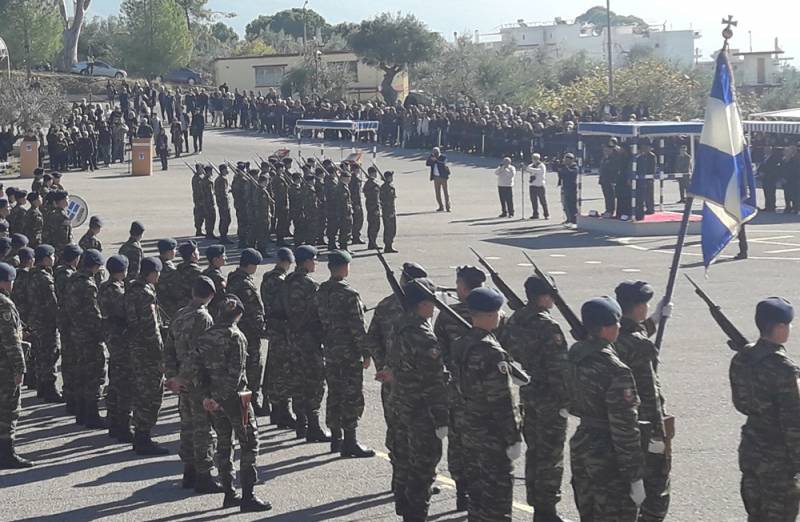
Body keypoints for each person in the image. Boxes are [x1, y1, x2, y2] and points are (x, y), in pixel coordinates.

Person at [568, 296, 644, 521]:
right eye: (616, 323)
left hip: (583, 443)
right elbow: (624, 427)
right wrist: (634, 475)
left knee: (588, 512)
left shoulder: (575, 354)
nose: (619, 327)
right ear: (605, 328)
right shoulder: (616, 370)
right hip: (608, 452)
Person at [500, 275, 570, 521]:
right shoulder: (549, 327)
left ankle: (537, 504)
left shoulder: (516, 319)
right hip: (550, 398)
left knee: (535, 452)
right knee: (551, 455)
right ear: (543, 296)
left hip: (528, 394)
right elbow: (560, 368)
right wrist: (566, 401)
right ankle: (546, 510)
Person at [194, 294, 272, 513]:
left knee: (224, 443)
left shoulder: (206, 336)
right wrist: (219, 397)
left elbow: (197, 370)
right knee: (249, 444)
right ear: (238, 315)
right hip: (236, 399)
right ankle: (248, 496)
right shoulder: (236, 336)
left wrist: (207, 397)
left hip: (214, 400)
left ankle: (229, 493)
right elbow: (236, 373)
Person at [452, 287, 522, 521]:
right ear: (491, 314)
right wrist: (512, 437)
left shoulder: (462, 343)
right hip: (492, 434)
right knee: (498, 501)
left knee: (478, 497)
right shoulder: (491, 352)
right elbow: (502, 401)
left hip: (469, 429)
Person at [730, 297, 800, 521]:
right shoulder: (785, 370)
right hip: (779, 459)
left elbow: (741, 403)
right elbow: (793, 423)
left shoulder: (741, 359)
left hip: (751, 449)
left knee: (756, 514)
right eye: (788, 325)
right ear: (779, 328)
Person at [614, 281, 673, 522]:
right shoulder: (640, 345)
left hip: (616, 426)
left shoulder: (607, 332)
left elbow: (630, 336)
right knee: (656, 492)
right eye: (646, 305)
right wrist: (659, 435)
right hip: (643, 426)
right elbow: (650, 395)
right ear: (638, 308)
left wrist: (656, 319)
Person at [391, 278, 449, 520]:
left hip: (402, 402)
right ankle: (416, 515)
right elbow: (434, 382)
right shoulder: (425, 337)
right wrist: (442, 418)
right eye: (431, 302)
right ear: (422, 304)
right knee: (423, 467)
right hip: (421, 410)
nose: (434, 308)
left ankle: (405, 508)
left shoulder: (401, 324)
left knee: (404, 459)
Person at [432, 265, 487, 510]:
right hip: (487, 391)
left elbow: (438, 352)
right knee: (485, 441)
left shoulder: (447, 316)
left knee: (458, 440)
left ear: (463, 288)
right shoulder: (493, 315)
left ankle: (462, 491)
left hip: (457, 388)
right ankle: (480, 491)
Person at [165, 275, 223, 494]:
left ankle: (189, 471)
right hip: (198, 382)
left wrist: (173, 377)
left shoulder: (179, 314)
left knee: (187, 426)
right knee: (203, 429)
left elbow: (168, 348)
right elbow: (203, 353)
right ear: (212, 295)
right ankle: (203, 475)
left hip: (182, 382)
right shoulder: (203, 318)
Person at [314, 250, 374, 457]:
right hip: (348, 353)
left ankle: (336, 438)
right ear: (342, 267)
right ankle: (350, 441)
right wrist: (366, 353)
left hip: (330, 350)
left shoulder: (322, 291)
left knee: (335, 393)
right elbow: (357, 327)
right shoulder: (349, 294)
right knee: (351, 395)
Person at [284, 245, 330, 443]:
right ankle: (313, 426)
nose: (316, 263)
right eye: (314, 259)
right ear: (307, 261)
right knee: (315, 382)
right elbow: (321, 313)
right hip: (309, 340)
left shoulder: (288, 281)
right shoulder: (309, 285)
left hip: (292, 338)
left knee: (297, 380)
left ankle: (301, 425)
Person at [125, 256, 169, 456]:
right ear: (153, 273)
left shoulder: (132, 289)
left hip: (135, 348)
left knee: (140, 390)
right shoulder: (145, 294)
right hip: (148, 351)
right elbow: (152, 329)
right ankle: (143, 437)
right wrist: (161, 356)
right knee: (151, 394)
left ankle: (140, 436)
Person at [64, 249, 107, 429]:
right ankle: (92, 414)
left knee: (80, 372)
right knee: (94, 374)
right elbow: (93, 314)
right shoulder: (88, 285)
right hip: (88, 335)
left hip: (74, 332)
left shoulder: (72, 279)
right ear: (95, 266)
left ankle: (81, 412)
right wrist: (103, 333)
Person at [225, 248, 267, 416]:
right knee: (253, 367)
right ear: (250, 265)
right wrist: (262, 330)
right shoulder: (244, 285)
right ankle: (252, 402)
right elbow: (253, 311)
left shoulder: (233, 278)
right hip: (248, 333)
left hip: (237, 330)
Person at [0, 262, 33, 469]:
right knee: (9, 409)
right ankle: (6, 453)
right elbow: (10, 341)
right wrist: (20, 368)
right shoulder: (4, 305)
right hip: (5, 366)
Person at [260, 247, 297, 429]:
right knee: (283, 371)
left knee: (273, 367)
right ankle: (282, 410)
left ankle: (275, 409)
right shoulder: (281, 282)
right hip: (282, 329)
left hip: (272, 327)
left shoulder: (267, 278)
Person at [99, 254, 132, 442]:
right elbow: (123, 312)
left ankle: (113, 420)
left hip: (111, 337)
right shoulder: (116, 290)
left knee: (114, 379)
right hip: (119, 339)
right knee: (123, 382)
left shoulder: (105, 286)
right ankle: (122, 425)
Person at [27, 244, 62, 403]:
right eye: (52, 256)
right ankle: (50, 390)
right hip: (46, 322)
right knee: (50, 354)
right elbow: (52, 304)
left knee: (40, 354)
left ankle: (42, 387)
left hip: (35, 319)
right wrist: (60, 320)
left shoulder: (32, 274)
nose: (54, 259)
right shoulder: (45, 278)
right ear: (46, 258)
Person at [201, 245, 227, 319]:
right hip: (216, 311)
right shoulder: (216, 276)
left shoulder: (205, 272)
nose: (226, 258)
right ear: (216, 259)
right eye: (223, 256)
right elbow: (223, 295)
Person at [636, 141, 657, 219]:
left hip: (649, 177)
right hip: (641, 177)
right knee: (642, 194)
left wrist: (651, 176)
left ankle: (650, 208)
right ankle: (645, 208)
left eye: (646, 147)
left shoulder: (652, 156)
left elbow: (653, 167)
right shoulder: (640, 156)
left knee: (649, 194)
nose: (644, 149)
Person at [426, 147, 451, 212]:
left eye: (436, 152)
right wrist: (431, 158)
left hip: (443, 177)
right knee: (437, 193)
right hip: (436, 177)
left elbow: (443, 163)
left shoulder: (443, 157)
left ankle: (448, 207)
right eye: (434, 152)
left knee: (445, 192)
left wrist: (436, 160)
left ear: (439, 152)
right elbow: (427, 163)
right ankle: (440, 206)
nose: (435, 154)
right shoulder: (432, 157)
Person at [525, 153, 549, 220]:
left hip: (540, 185)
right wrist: (531, 169)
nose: (534, 160)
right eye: (533, 158)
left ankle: (546, 214)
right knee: (533, 201)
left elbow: (539, 171)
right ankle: (535, 214)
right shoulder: (531, 165)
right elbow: (527, 169)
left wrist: (531, 169)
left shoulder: (542, 165)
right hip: (532, 185)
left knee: (543, 201)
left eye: (535, 158)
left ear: (538, 159)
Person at [363, 167, 382, 249]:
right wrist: (375, 208)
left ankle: (372, 242)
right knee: (374, 225)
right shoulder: (371, 184)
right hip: (373, 207)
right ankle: (372, 243)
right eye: (375, 173)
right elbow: (373, 197)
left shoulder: (371, 183)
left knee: (374, 225)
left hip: (373, 206)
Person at [558, 153, 579, 225]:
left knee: (572, 204)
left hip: (571, 188)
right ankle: (568, 218)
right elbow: (560, 173)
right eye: (565, 159)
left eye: (567, 159)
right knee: (565, 204)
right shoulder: (564, 167)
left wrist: (565, 167)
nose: (566, 161)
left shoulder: (574, 167)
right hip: (564, 187)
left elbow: (571, 173)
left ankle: (574, 219)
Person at [214, 165, 232, 244]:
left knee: (223, 219)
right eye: (227, 169)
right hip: (224, 203)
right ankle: (223, 236)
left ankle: (223, 236)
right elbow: (223, 193)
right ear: (223, 170)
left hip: (220, 202)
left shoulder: (218, 179)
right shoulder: (223, 180)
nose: (228, 170)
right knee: (226, 219)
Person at [380, 171, 397, 253]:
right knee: (389, 229)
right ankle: (388, 246)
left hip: (391, 210)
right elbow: (384, 201)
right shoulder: (385, 187)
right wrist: (389, 212)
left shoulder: (390, 186)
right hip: (387, 211)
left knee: (393, 229)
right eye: (391, 176)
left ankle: (389, 245)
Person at [202, 167, 217, 240]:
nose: (212, 173)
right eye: (211, 171)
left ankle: (209, 232)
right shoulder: (208, 181)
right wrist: (212, 203)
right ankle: (210, 233)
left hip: (205, 202)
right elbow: (210, 193)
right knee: (211, 218)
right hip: (209, 202)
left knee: (208, 218)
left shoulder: (204, 180)